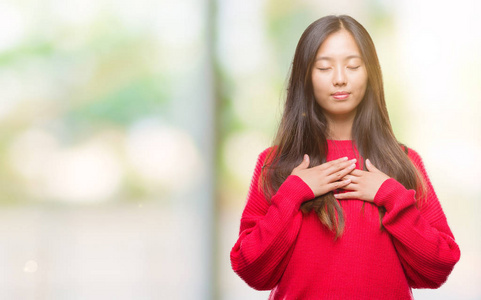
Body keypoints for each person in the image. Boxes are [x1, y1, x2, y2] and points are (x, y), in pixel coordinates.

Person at [230, 15, 460, 299]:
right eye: (324, 67)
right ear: (306, 77)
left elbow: (438, 267)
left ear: (370, 73)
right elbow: (251, 269)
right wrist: (293, 193)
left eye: (353, 66)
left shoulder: (403, 160)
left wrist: (391, 196)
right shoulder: (276, 163)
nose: (340, 79)